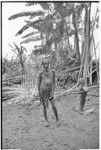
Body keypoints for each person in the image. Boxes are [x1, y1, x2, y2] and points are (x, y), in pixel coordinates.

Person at [38, 59, 60, 127]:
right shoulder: (41, 73)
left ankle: (57, 119)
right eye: (44, 64)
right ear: (42, 65)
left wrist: (52, 92)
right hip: (43, 92)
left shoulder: (52, 72)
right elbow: (38, 84)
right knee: (44, 106)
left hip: (50, 91)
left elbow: (53, 83)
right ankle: (46, 120)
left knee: (53, 106)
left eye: (47, 63)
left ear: (49, 63)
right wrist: (39, 95)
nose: (46, 65)